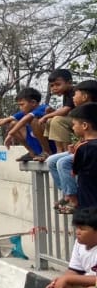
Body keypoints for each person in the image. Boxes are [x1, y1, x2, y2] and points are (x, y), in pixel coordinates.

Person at [49, 80, 97, 214]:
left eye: (75, 94)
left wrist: (77, 149)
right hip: (84, 147)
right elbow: (86, 136)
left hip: (90, 149)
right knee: (52, 161)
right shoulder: (80, 112)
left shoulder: (92, 111)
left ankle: (74, 200)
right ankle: (67, 194)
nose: (73, 98)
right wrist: (76, 146)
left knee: (63, 163)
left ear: (85, 96)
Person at [0, 87, 52, 162]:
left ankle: (47, 152)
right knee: (13, 124)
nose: (20, 107)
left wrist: (10, 134)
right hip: (37, 146)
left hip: (51, 147)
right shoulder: (24, 113)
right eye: (19, 105)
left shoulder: (43, 108)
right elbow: (3, 121)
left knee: (34, 121)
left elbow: (24, 120)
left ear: (33, 103)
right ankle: (32, 153)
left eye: (22, 104)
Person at [36, 69, 75, 154]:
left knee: (57, 120)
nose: (54, 88)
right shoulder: (66, 94)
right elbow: (68, 111)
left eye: (58, 85)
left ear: (69, 83)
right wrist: (53, 112)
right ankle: (59, 150)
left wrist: (46, 116)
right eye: (52, 86)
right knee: (50, 120)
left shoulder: (74, 91)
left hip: (86, 121)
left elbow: (65, 111)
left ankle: (66, 151)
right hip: (76, 120)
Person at [70, 103, 97, 210]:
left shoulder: (82, 147)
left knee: (88, 224)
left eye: (74, 124)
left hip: (88, 195)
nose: (73, 127)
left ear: (85, 126)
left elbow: (74, 171)